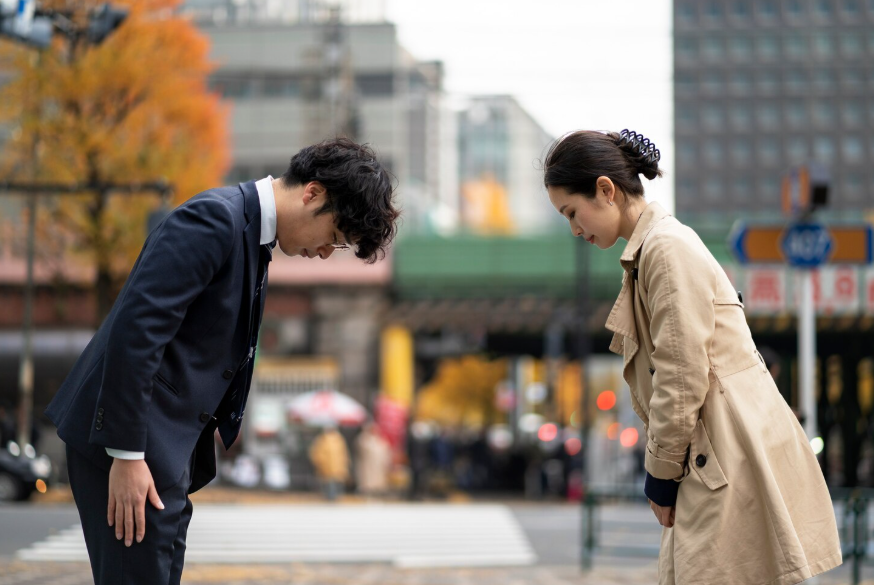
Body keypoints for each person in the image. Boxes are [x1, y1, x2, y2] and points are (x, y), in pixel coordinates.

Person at [44, 138, 398, 585]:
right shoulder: (214, 219)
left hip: (164, 452)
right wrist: (128, 455)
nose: (327, 252)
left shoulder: (249, 233)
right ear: (313, 193)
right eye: (333, 237)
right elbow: (137, 332)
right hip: (128, 448)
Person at [543, 129, 841, 584]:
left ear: (605, 189)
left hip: (722, 459)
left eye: (572, 212)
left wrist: (660, 475)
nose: (574, 228)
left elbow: (681, 377)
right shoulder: (656, 249)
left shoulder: (663, 249)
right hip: (719, 455)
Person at [308, 425, 350, 501]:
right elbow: (316, 453)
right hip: (327, 466)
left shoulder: (339, 439)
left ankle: (336, 497)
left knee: (337, 482)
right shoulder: (322, 439)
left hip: (337, 465)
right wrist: (321, 462)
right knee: (328, 482)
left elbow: (343, 453)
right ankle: (329, 497)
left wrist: (344, 462)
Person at [354, 422, 392, 496]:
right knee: (368, 481)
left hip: (378, 466)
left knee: (378, 481)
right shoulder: (363, 439)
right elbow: (362, 449)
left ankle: (377, 491)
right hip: (368, 466)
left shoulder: (380, 440)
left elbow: (385, 451)